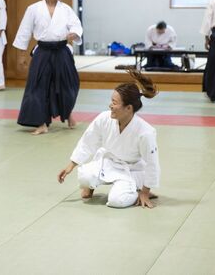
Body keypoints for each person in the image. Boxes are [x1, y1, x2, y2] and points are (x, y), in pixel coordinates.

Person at [57, 69, 160, 209]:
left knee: (117, 201)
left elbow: (152, 163)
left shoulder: (145, 132)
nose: (110, 105)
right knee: (84, 177)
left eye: (115, 102)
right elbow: (88, 142)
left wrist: (145, 192)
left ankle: (136, 189)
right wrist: (70, 166)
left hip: (131, 170)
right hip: (109, 162)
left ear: (128, 108)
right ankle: (92, 186)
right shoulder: (104, 118)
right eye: (111, 101)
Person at [13, 0, 82, 135]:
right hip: (43, 52)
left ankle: (68, 113)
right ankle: (41, 123)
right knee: (38, 87)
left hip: (62, 51)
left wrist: (74, 33)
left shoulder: (65, 9)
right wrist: (22, 56)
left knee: (68, 84)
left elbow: (76, 25)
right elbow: (24, 32)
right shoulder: (33, 9)